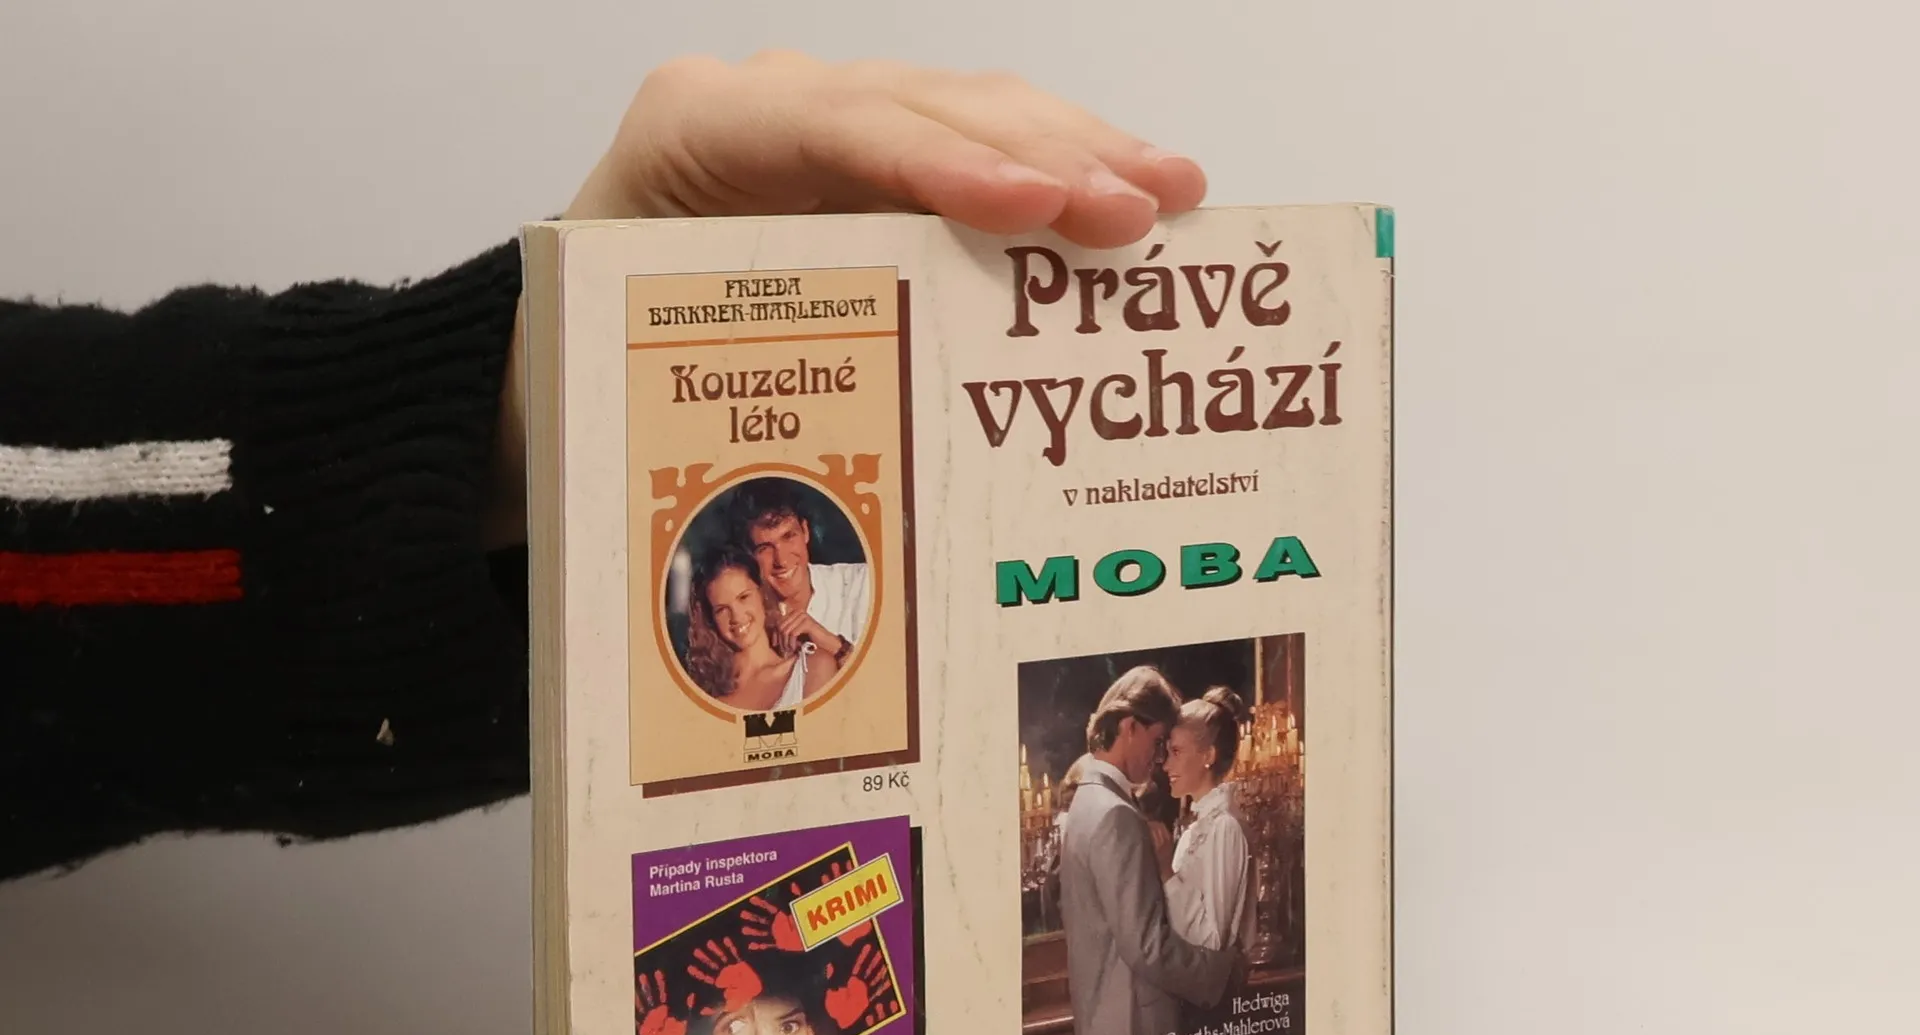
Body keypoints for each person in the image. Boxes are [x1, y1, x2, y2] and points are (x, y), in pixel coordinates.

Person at [0, 55, 1207, 882]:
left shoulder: (836, 629)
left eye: (778, 561)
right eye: (747, 580)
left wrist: (534, 384)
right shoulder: (775, 660)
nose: (763, 591)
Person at [1057, 666, 1234, 1035]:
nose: (1159, 760)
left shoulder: (1086, 803)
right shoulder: (1115, 814)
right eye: (1157, 743)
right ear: (1129, 727)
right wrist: (1219, 972)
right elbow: (1147, 947)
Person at [1159, 685, 1256, 963]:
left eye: (1176, 751)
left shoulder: (1225, 828)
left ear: (1208, 756)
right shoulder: (1195, 831)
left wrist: (1166, 873)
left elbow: (1213, 940)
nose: (1166, 765)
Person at [732, 479, 869, 666]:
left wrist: (831, 644)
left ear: (805, 531)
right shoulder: (743, 619)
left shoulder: (862, 583)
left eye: (788, 536)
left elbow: (889, 676)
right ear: (749, 554)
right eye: (765, 548)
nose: (781, 560)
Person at [685, 546, 840, 711]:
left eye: (743, 597)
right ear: (710, 619)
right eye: (722, 609)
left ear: (762, 594)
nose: (736, 616)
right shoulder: (704, 696)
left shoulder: (811, 668)